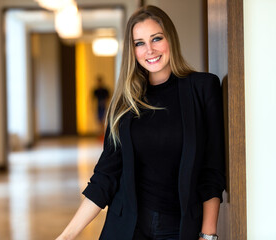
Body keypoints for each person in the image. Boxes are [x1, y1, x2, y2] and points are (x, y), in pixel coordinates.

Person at [56, 5, 226, 240]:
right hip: (126, 229)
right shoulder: (124, 103)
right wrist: (66, 236)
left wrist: (208, 235)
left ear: (171, 40)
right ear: (132, 50)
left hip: (178, 229)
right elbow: (105, 177)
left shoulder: (203, 88)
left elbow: (212, 170)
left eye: (156, 38)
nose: (150, 50)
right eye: (139, 43)